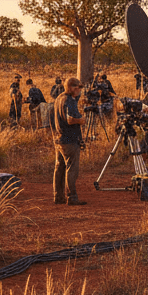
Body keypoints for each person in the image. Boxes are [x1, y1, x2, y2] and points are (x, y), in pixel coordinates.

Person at [50, 77, 86, 205]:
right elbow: (70, 119)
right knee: (71, 168)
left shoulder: (59, 98)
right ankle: (72, 197)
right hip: (69, 139)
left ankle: (58, 196)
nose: (79, 91)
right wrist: (81, 120)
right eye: (77, 88)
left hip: (59, 138)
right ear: (71, 88)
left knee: (59, 168)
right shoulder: (69, 100)